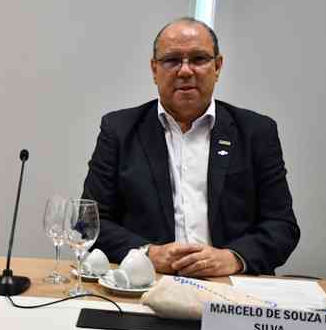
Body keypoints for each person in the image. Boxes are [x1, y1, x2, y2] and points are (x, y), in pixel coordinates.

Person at [82, 17, 299, 276]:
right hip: (146, 283)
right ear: (154, 69)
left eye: (198, 59)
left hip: (230, 288)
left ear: (217, 66)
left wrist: (233, 258)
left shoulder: (255, 132)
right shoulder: (119, 130)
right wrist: (147, 253)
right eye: (172, 60)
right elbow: (89, 222)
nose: (185, 71)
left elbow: (281, 226)